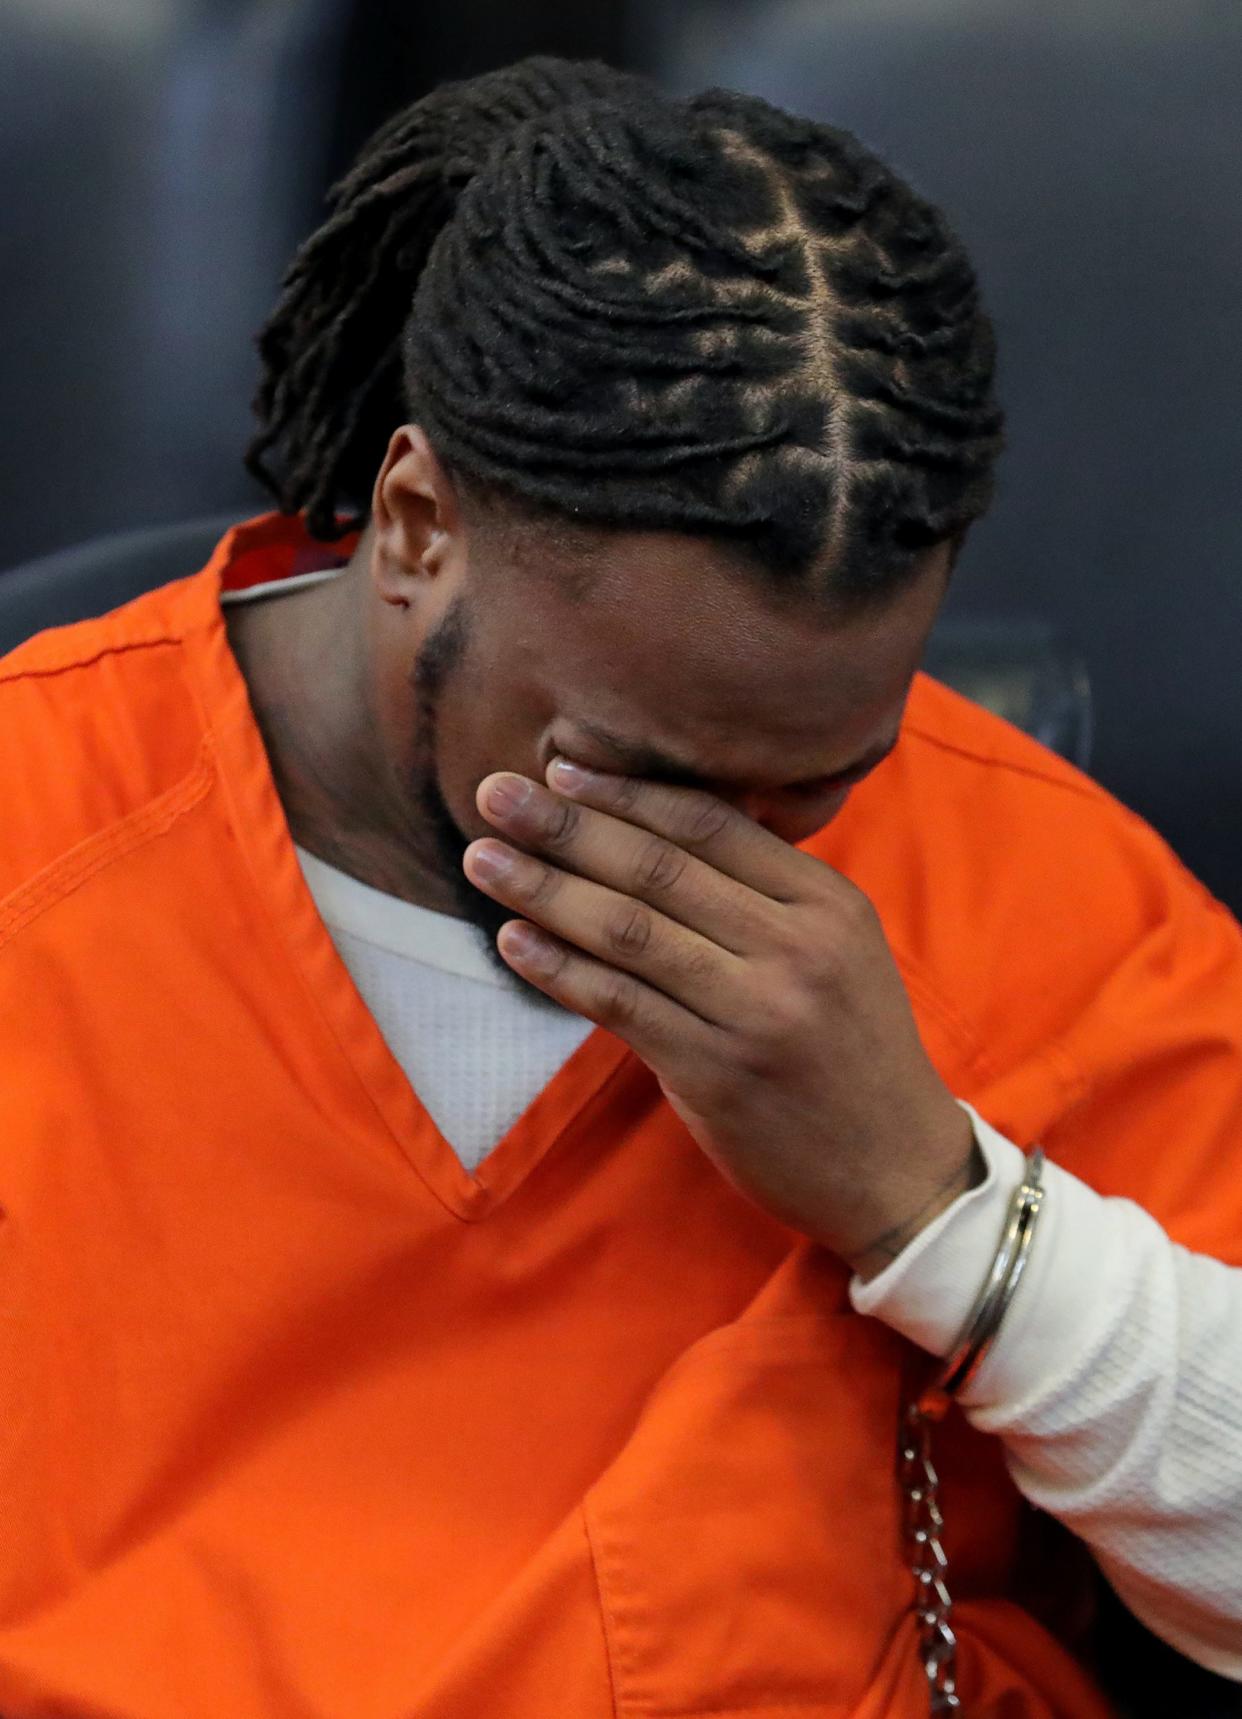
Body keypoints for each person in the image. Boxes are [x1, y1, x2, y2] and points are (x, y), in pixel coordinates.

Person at [0, 55, 1238, 1719]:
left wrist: (934, 1204)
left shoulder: (1034, 883)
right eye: (641, 763)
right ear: (418, 523)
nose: (726, 846)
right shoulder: (43, 831)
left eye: (820, 774)